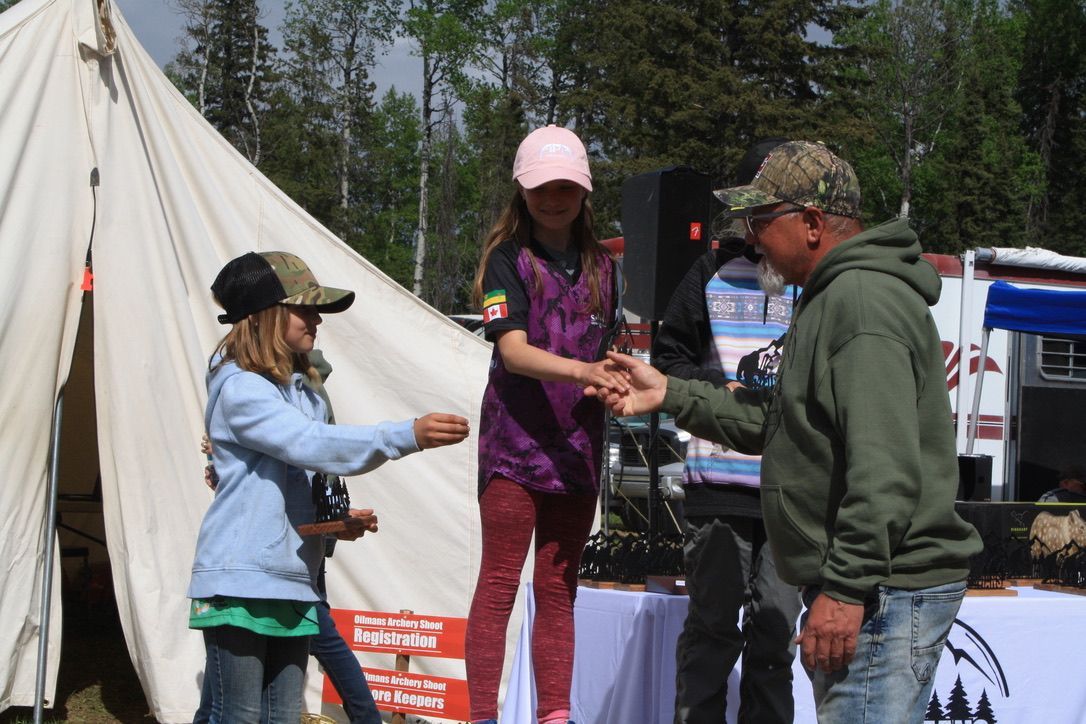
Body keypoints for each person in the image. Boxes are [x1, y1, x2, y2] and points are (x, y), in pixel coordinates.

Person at [589, 141, 983, 724]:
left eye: (760, 220)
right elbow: (783, 426)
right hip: (874, 586)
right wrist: (670, 393)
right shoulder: (836, 297)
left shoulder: (861, 303)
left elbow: (885, 472)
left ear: (814, 223)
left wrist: (846, 590)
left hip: (884, 592)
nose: (749, 236)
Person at [189, 251, 469, 723]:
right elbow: (309, 444)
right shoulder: (241, 389)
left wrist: (334, 526)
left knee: (281, 717)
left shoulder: (302, 391)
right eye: (304, 307)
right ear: (265, 314)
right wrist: (403, 435)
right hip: (239, 579)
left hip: (291, 579)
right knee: (236, 715)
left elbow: (300, 481)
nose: (317, 318)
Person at [464, 125, 628, 724]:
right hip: (513, 447)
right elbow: (513, 352)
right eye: (540, 187)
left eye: (565, 187)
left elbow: (605, 348)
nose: (553, 198)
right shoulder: (507, 259)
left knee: (559, 590)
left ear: (584, 191)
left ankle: (553, 717)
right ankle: (483, 716)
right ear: (521, 190)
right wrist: (583, 367)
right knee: (501, 583)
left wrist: (615, 377)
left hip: (579, 449)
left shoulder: (606, 269)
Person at [653, 139, 801, 724]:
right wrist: (721, 394)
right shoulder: (709, 271)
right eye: (748, 215)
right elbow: (669, 363)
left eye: (764, 214)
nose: (754, 227)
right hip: (718, 483)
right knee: (712, 630)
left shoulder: (816, 280)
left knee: (774, 638)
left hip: (792, 491)